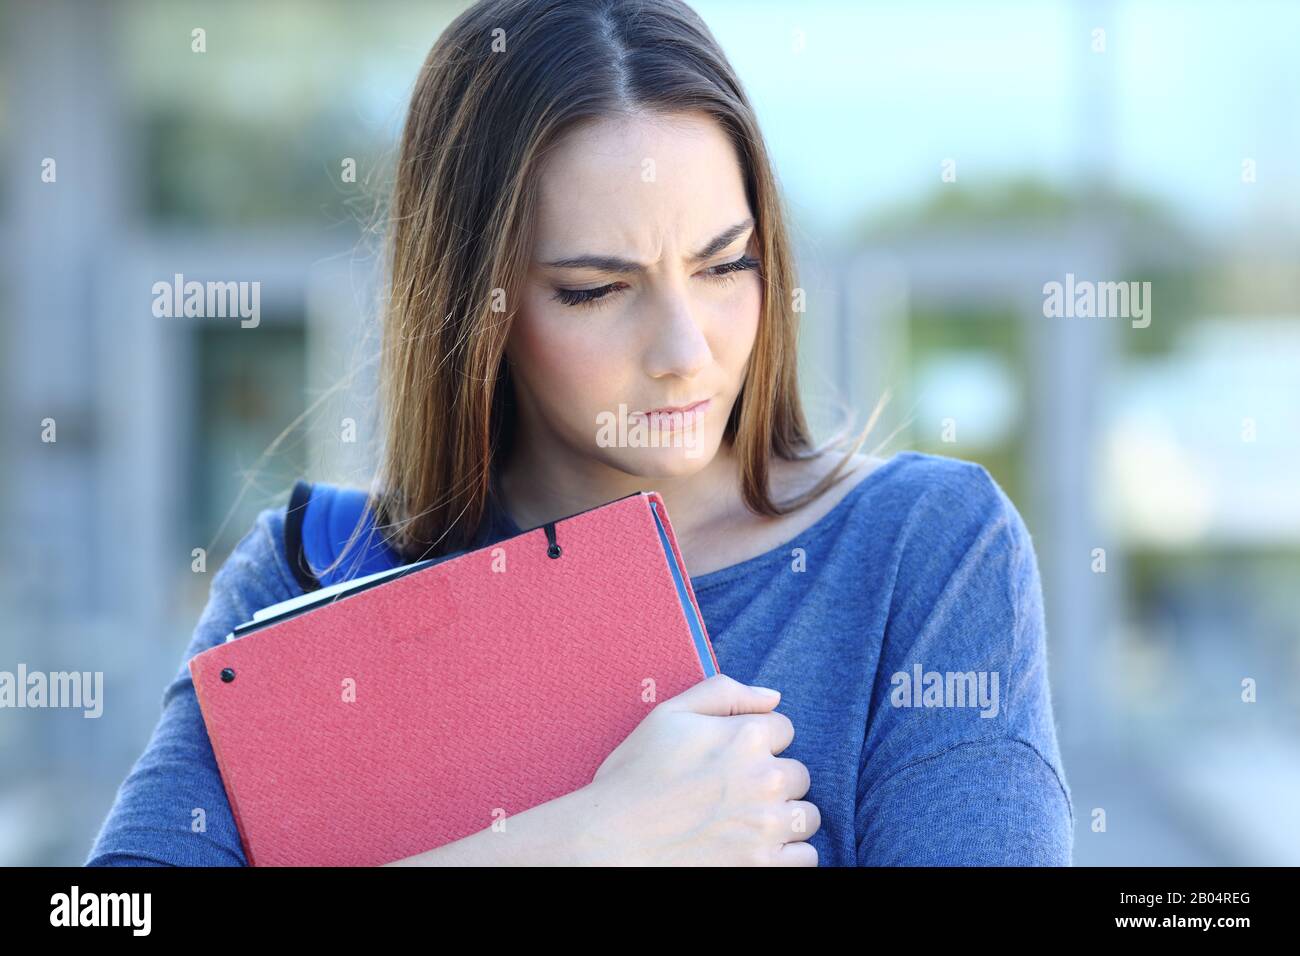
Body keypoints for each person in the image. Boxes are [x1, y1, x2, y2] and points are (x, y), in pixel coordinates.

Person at [86, 0, 1073, 866]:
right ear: (479, 305)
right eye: (597, 289)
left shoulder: (924, 551)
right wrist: (588, 841)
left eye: (725, 265)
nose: (686, 349)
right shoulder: (312, 573)